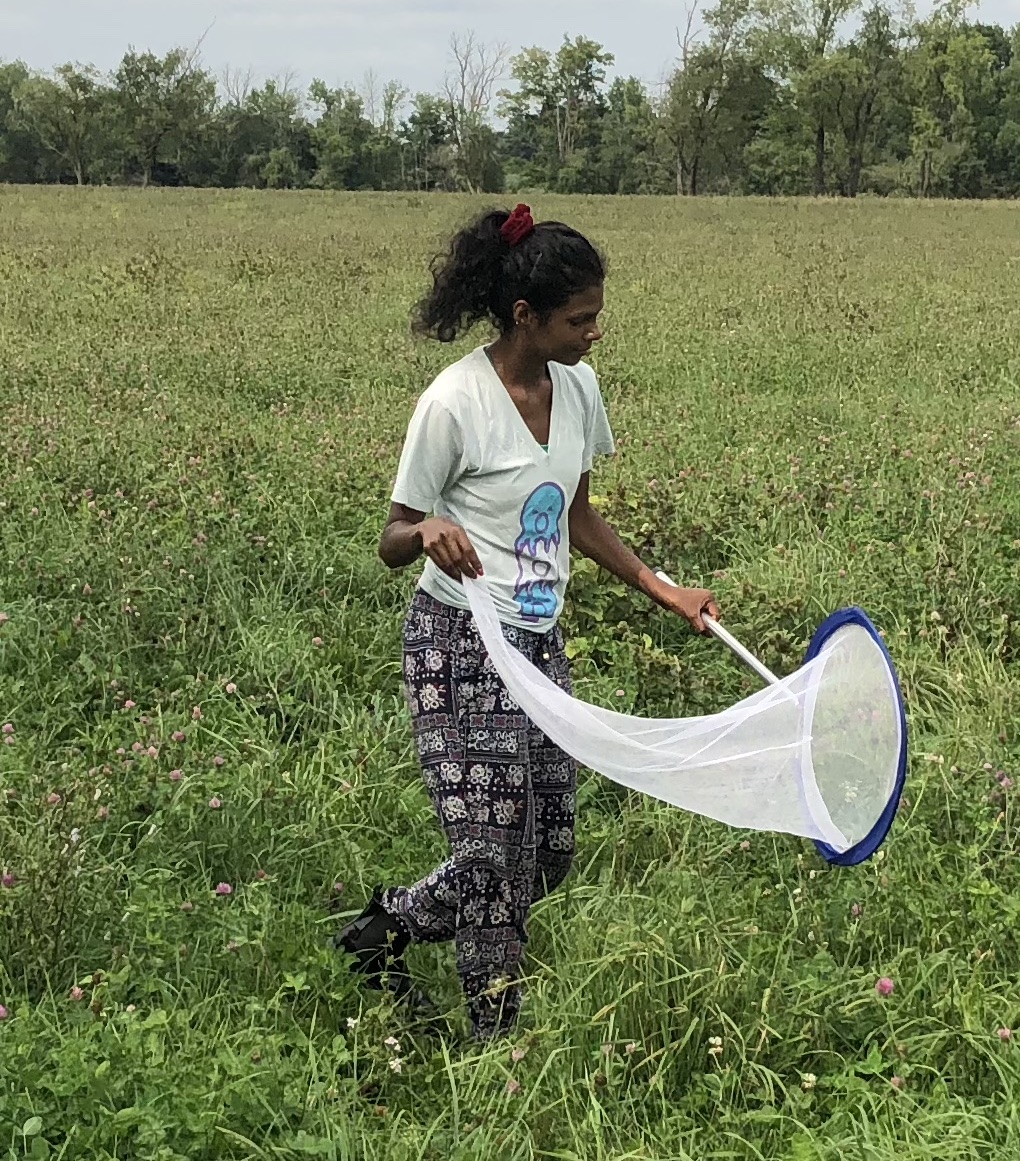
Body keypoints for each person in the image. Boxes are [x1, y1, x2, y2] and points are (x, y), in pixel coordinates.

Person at [335, 204, 719, 1042]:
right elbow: (390, 538)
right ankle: (494, 1048)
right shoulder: (454, 403)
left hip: (539, 650)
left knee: (545, 852)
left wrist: (667, 590)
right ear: (526, 318)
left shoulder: (578, 388)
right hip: (459, 648)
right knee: (489, 857)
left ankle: (384, 928)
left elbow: (578, 514)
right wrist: (427, 531)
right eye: (580, 320)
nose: (594, 335)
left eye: (595, 318)